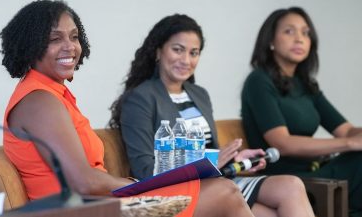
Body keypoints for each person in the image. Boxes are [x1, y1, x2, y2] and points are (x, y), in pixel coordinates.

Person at [0, 0, 260, 217]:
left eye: (75, 37)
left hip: (101, 204)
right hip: (84, 211)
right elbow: (83, 182)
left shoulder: (51, 93)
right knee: (225, 192)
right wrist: (136, 185)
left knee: (226, 191)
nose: (70, 46)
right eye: (55, 39)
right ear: (31, 45)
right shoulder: (39, 100)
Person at [110, 13, 314, 217]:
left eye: (194, 52)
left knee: (291, 185)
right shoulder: (141, 98)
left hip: (214, 181)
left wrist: (234, 159)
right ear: (158, 52)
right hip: (176, 189)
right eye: (177, 50)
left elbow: (210, 155)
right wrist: (207, 162)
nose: (186, 60)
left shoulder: (199, 95)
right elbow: (144, 171)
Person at [241, 6, 362, 216]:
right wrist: (350, 144)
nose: (299, 39)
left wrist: (355, 138)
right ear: (270, 41)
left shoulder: (306, 85)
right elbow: (282, 144)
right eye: (289, 31)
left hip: (316, 171)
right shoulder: (258, 81)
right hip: (284, 180)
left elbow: (347, 131)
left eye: (305, 33)